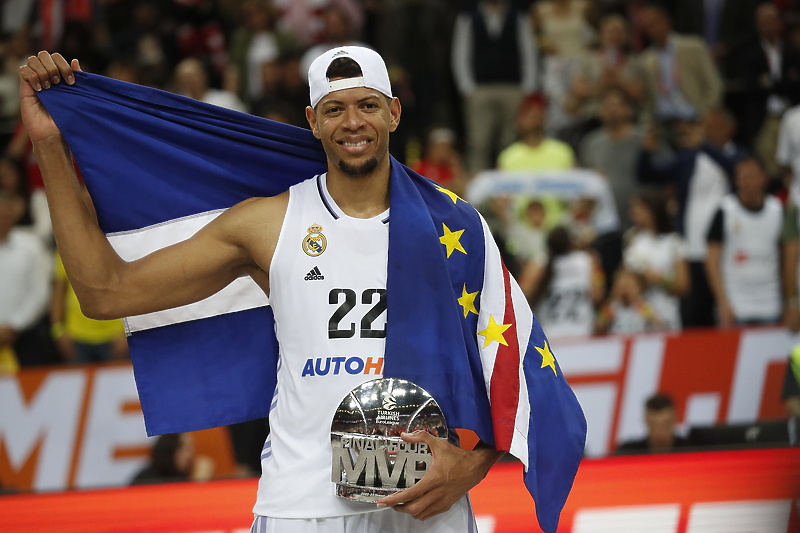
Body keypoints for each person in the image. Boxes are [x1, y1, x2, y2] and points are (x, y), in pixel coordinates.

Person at [20, 46, 583, 533]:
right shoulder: (267, 225)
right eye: (335, 109)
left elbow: (520, 371)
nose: (352, 122)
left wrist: (473, 464)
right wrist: (49, 142)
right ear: (313, 121)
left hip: (425, 504)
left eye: (367, 105)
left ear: (394, 112)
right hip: (301, 503)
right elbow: (105, 292)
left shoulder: (454, 228)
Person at [705, 157, 797, 328]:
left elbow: (787, 259)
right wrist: (722, 302)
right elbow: (712, 261)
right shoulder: (725, 211)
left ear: (764, 178)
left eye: (752, 176)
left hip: (771, 304)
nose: (748, 182)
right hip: (736, 305)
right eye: (743, 177)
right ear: (736, 181)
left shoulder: (777, 210)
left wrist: (789, 302)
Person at [622, 189, 690, 330]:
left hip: (668, 317)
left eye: (638, 208)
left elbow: (683, 286)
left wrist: (660, 279)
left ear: (651, 210)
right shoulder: (632, 241)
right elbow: (627, 285)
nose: (633, 212)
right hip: (638, 320)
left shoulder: (674, 243)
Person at [615, 393, 689, 454]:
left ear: (675, 418)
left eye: (666, 424)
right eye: (655, 425)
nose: (661, 431)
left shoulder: (690, 450)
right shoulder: (629, 452)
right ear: (646, 420)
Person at [130, 432, 213, 485]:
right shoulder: (148, 480)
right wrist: (198, 482)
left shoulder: (179, 477)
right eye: (187, 449)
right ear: (171, 451)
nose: (192, 454)